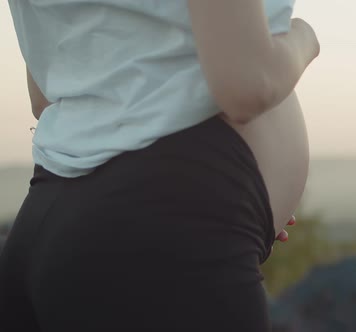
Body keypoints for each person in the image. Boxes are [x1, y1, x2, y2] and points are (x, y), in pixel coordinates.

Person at [0, 0, 320, 331]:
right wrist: (305, 37)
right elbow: (249, 84)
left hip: (50, 221)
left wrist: (232, 206)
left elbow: (45, 96)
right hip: (159, 241)